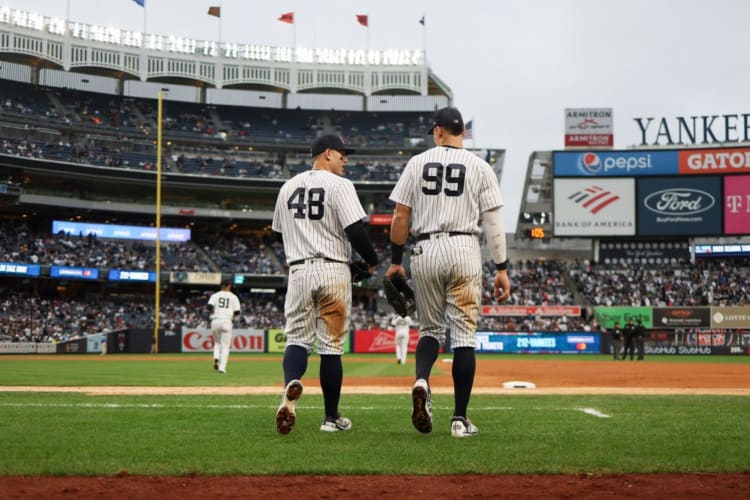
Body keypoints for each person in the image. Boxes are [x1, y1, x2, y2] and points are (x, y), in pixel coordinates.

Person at [385, 106, 511, 438]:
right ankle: (459, 419)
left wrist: (397, 261)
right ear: (462, 133)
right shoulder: (481, 167)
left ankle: (423, 380)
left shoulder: (417, 162)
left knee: (430, 331)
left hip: (425, 248)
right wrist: (501, 268)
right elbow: (494, 223)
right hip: (464, 246)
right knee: (464, 338)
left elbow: (400, 217)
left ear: (438, 131)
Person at [272, 134, 378, 435]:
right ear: (327, 153)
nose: (346, 160)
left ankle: (289, 389)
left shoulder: (287, 186)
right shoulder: (340, 185)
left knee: (297, 340)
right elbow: (355, 229)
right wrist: (370, 261)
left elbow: (280, 232)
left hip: (299, 270)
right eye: (343, 154)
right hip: (332, 270)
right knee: (330, 347)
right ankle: (331, 419)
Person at [207, 279, 241, 374]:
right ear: (229, 286)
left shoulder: (215, 295)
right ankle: (222, 368)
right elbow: (237, 312)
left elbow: (209, 307)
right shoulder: (233, 297)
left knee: (217, 343)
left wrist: (215, 313)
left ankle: (216, 357)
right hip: (226, 321)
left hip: (215, 320)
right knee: (225, 346)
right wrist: (232, 318)